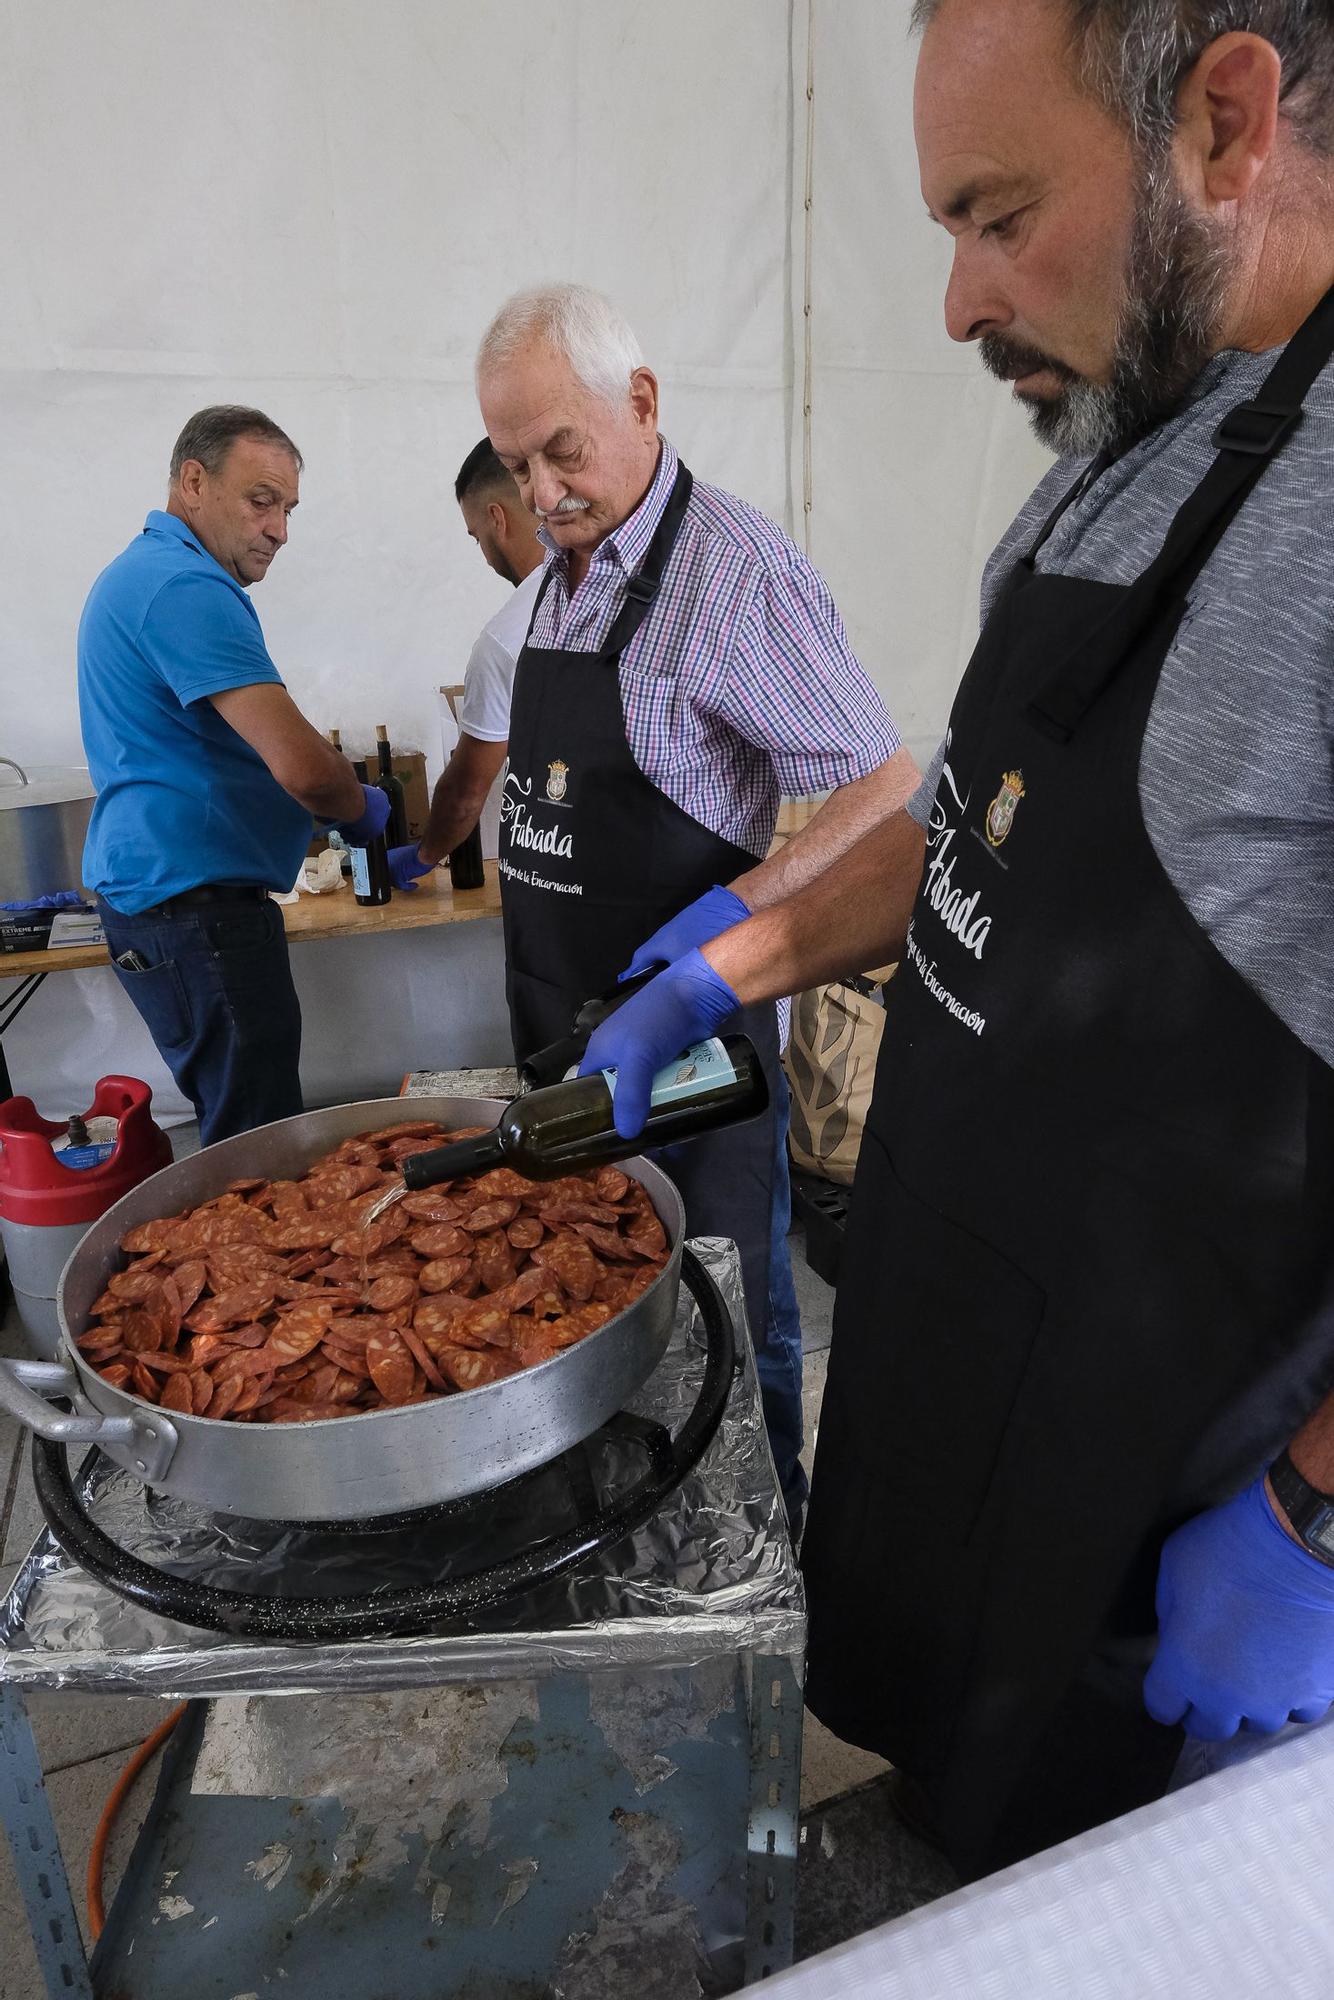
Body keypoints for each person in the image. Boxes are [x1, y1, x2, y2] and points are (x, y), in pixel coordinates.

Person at [581, 0, 1334, 1880]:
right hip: (966, 1388)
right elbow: (977, 823)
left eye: (994, 216)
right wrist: (728, 967)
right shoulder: (1117, 445)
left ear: (1223, 121)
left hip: (1174, 1542)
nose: (950, 302)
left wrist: (1315, 1524)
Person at [473, 283, 919, 1525]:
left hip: (693, 1054)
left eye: (562, 448)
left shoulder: (729, 570)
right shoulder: (571, 572)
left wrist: (734, 905)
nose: (543, 489)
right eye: (517, 463)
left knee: (729, 1315)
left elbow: (883, 780)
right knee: (600, 1316)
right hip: (571, 1030)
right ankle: (638, 1529)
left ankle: (759, 1546)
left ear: (642, 401)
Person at [78, 405, 388, 1145]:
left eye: (287, 508)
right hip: (197, 916)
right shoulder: (182, 586)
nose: (279, 528)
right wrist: (362, 811)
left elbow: (221, 752)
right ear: (193, 481)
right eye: (260, 500)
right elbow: (304, 768)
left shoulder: (148, 575)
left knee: (241, 1132)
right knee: (260, 1150)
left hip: (173, 908)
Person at [390, 440, 544, 888]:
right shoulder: (612, 589)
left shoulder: (506, 638)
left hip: (560, 865)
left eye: (477, 536)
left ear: (497, 517)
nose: (483, 551)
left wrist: (425, 852)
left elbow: (466, 790)